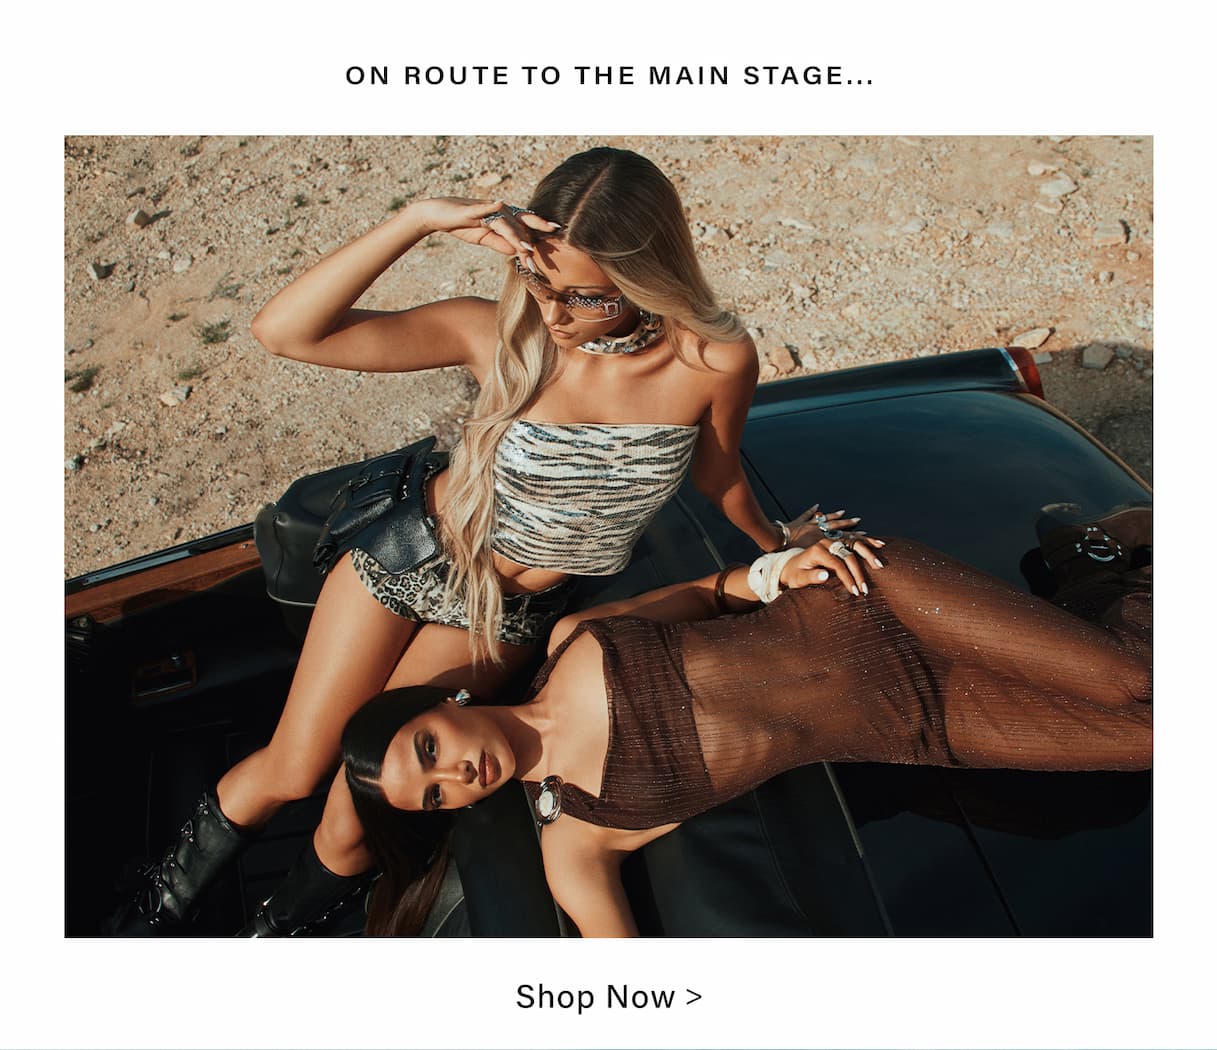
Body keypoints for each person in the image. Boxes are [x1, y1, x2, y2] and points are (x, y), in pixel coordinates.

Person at [111, 146, 829, 936]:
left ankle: (270, 937)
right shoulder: (495, 335)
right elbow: (284, 333)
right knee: (293, 768)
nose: (554, 314)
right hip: (408, 560)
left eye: (582, 297)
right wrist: (416, 219)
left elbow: (716, 478)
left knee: (352, 821)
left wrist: (777, 545)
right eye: (539, 282)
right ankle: (143, 925)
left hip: (499, 616)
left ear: (644, 270)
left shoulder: (713, 359)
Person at [342, 504, 1152, 937]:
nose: (457, 776)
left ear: (445, 705)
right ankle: (1095, 577)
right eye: (439, 797)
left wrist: (783, 565)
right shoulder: (578, 840)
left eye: (429, 751)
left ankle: (1099, 545)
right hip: (919, 721)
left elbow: (705, 594)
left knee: (1133, 681)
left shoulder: (573, 642)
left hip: (871, 601)